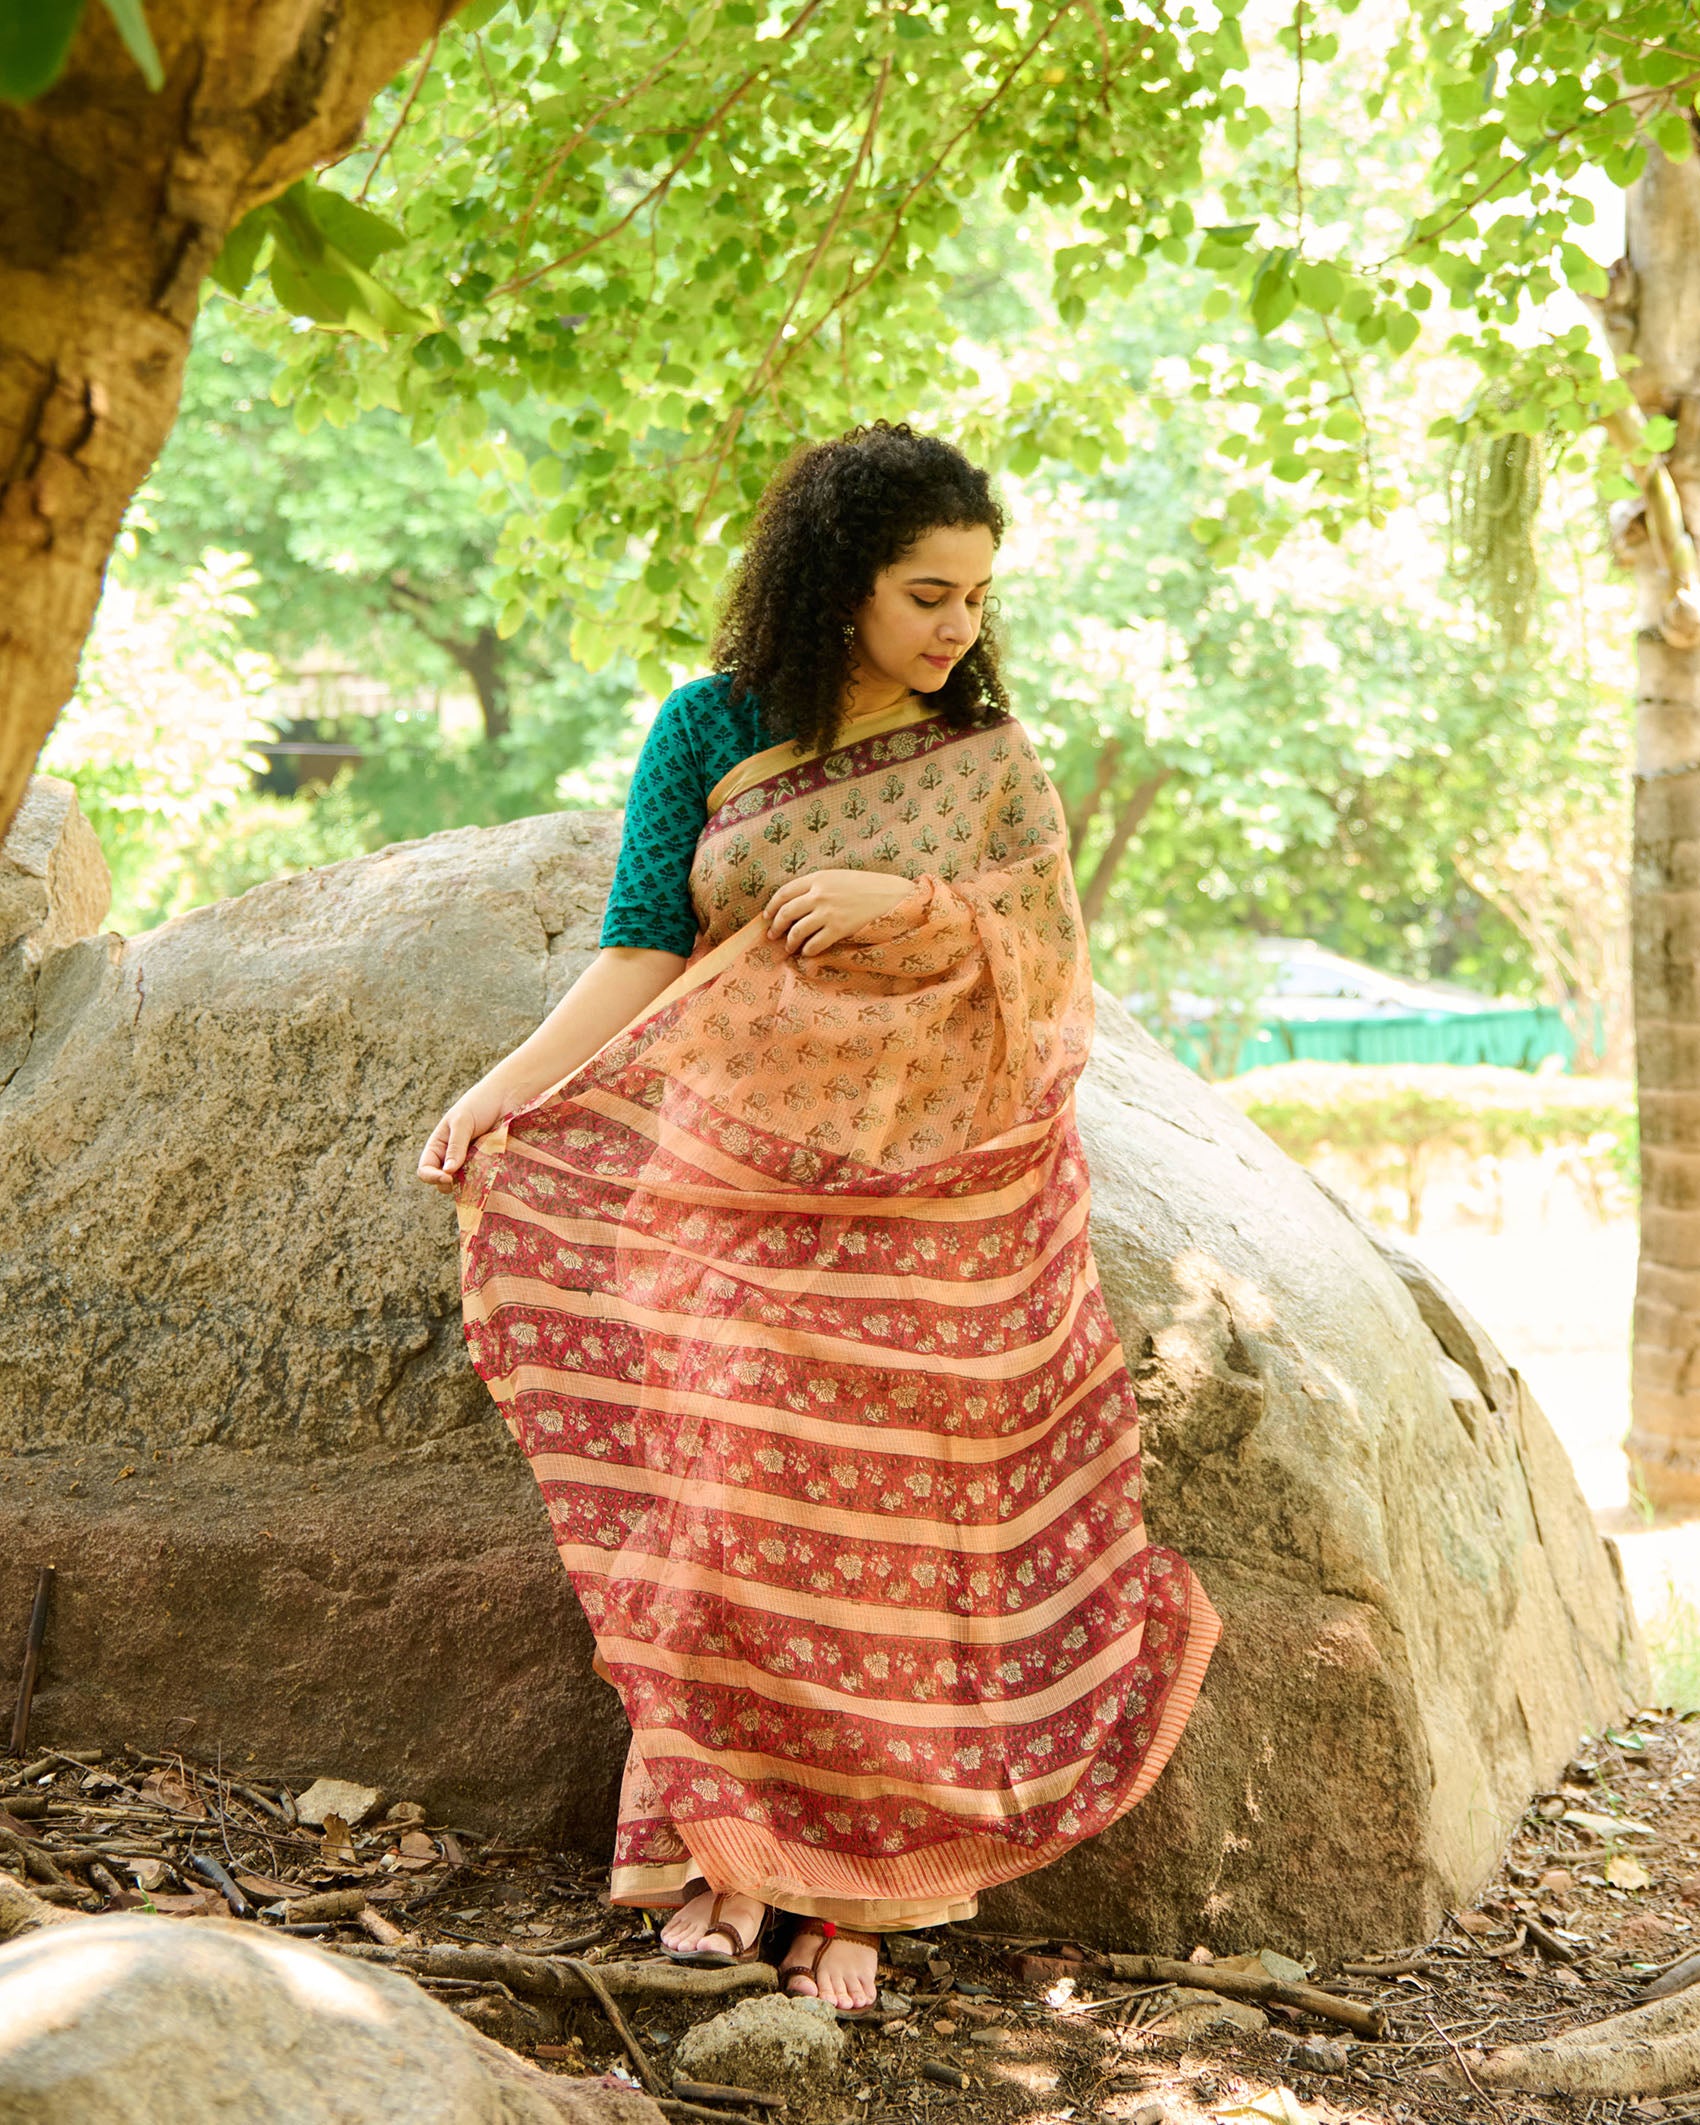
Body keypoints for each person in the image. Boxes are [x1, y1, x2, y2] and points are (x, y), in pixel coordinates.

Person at [417, 421, 1220, 2017]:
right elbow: (644, 944)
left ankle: (862, 1894)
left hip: (946, 1209)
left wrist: (914, 908)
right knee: (727, 1490)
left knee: (906, 1530)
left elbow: (1051, 974)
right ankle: (721, 1855)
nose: (957, 629)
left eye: (978, 600)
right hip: (725, 1190)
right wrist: (505, 1091)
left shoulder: (987, 766)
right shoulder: (709, 726)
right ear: (836, 581)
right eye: (928, 593)